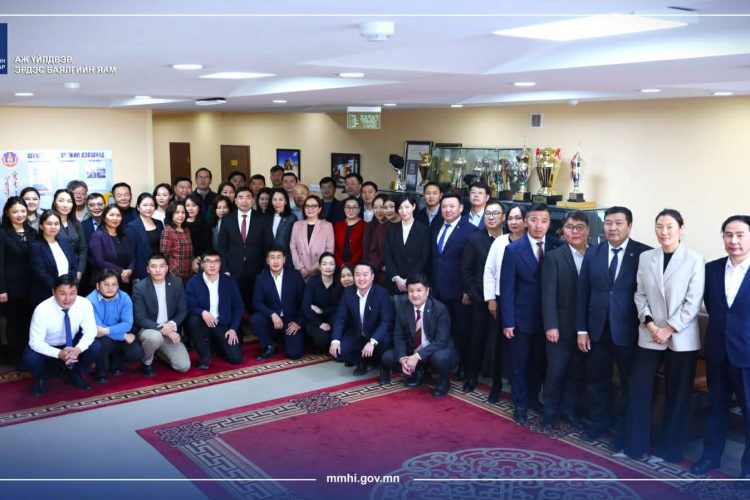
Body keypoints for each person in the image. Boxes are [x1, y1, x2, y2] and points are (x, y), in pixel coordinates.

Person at [622, 208, 704, 462]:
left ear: (681, 229)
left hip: (681, 337)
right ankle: (634, 447)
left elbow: (693, 301)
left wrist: (669, 328)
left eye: (669, 226)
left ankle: (669, 451)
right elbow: (640, 294)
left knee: (677, 395)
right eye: (659, 226)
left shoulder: (694, 259)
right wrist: (650, 325)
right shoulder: (647, 257)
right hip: (650, 334)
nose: (664, 231)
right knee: (638, 389)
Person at [577, 206, 651, 450]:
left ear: (629, 225)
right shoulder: (593, 252)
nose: (612, 228)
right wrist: (582, 329)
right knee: (596, 380)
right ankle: (598, 424)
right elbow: (583, 292)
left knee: (629, 384)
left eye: (618, 223)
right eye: (608, 223)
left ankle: (621, 432)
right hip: (597, 330)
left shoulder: (644, 254)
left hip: (629, 331)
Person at [691, 215, 750, 478]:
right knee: (716, 409)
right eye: (728, 234)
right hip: (717, 352)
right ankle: (710, 458)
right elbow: (712, 307)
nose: (733, 240)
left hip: (747, 355)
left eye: (740, 235)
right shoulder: (711, 270)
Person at [501, 203, 563, 425]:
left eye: (544, 221)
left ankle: (533, 399)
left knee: (539, 363)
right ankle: (520, 404)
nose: (539, 225)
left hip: (549, 319)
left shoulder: (557, 246)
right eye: (534, 220)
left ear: (549, 223)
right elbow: (507, 289)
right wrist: (508, 321)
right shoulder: (513, 250)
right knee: (520, 364)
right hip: (522, 318)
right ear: (526, 222)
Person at [540, 210, 590, 430]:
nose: (575, 232)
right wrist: (551, 325)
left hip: (586, 328)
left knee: (575, 373)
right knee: (556, 371)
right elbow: (548, 295)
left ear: (588, 230)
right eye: (570, 227)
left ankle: (570, 412)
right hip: (560, 326)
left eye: (579, 227)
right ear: (563, 230)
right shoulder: (554, 257)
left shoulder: (595, 254)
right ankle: (550, 413)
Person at [379, 273, 458, 397]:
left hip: (435, 350)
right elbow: (398, 336)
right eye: (411, 291)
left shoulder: (440, 309)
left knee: (440, 358)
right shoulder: (403, 308)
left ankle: (443, 382)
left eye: (419, 290)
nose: (415, 295)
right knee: (387, 357)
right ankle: (418, 373)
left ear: (427, 291)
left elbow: (441, 341)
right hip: (413, 349)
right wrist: (402, 358)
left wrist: (417, 357)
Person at [22, 274, 101, 395]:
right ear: (53, 292)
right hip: (49, 345)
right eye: (62, 293)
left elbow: (90, 331)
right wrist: (59, 353)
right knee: (30, 358)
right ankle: (41, 378)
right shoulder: (42, 310)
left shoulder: (84, 304)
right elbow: (35, 342)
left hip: (72, 343)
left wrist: (78, 349)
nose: (68, 299)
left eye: (72, 293)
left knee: (95, 346)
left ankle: (75, 373)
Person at [430, 192, 477, 381]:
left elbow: (472, 264)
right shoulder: (436, 227)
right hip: (437, 289)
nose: (447, 210)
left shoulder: (470, 230)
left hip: (459, 291)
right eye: (444, 206)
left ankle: (462, 366)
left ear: (461, 208)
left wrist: (467, 290)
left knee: (461, 331)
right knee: (439, 330)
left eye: (452, 206)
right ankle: (439, 365)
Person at [482, 203, 527, 403]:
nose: (513, 222)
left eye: (518, 218)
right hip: (501, 299)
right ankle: (496, 385)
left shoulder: (531, 242)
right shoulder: (500, 242)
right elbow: (489, 271)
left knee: (520, 347)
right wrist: (491, 299)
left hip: (524, 302)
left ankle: (519, 389)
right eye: (510, 218)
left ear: (526, 221)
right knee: (498, 346)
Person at [461, 200, 504, 394]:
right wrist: (475, 293)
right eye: (488, 213)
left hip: (503, 299)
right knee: (476, 339)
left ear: (503, 217)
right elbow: (466, 271)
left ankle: (496, 381)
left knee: (499, 342)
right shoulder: (474, 239)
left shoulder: (510, 238)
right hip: (480, 299)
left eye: (495, 213)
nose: (491, 217)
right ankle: (472, 376)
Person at [132, 253, 191, 375]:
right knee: (154, 338)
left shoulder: (176, 283)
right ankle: (146, 362)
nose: (158, 270)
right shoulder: (140, 287)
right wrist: (166, 330)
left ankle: (158, 352)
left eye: (161, 266)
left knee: (183, 366)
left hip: (170, 328)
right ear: (148, 269)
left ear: (167, 268)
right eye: (153, 266)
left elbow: (182, 310)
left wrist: (172, 324)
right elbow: (140, 318)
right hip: (149, 329)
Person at [330, 261, 393, 375]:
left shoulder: (381, 293)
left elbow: (386, 322)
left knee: (386, 341)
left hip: (376, 335)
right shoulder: (348, 292)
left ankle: (380, 363)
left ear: (372, 277)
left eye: (365, 274)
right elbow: (340, 318)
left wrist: (372, 342)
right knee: (339, 351)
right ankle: (363, 361)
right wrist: (335, 341)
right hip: (359, 333)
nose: (361, 278)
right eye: (357, 274)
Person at [185, 251, 244, 368]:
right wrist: (202, 312)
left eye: (216, 261)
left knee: (236, 358)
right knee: (193, 320)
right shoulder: (193, 282)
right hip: (203, 323)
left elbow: (238, 307)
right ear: (202, 264)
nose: (212, 265)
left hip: (222, 324)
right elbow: (188, 305)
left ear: (220, 264)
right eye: (208, 261)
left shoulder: (229, 282)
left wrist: (233, 329)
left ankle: (215, 345)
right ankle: (204, 356)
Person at [217, 187, 272, 310]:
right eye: (241, 197)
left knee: (255, 304)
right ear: (235, 200)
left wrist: (265, 268)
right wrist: (224, 269)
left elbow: (269, 246)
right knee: (235, 304)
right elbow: (222, 248)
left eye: (248, 197)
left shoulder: (263, 219)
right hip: (233, 269)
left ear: (253, 200)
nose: (244, 201)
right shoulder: (227, 219)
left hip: (257, 269)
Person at [250, 246, 306, 360]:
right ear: (267, 261)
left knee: (295, 354)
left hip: (290, 322)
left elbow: (304, 302)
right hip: (272, 320)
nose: (275, 261)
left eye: (278, 257)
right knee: (255, 319)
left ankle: (286, 339)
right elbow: (257, 302)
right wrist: (272, 314)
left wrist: (298, 322)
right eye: (272, 257)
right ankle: (269, 346)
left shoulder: (295, 276)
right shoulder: (261, 278)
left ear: (284, 259)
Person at [86, 269, 143, 382]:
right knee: (103, 344)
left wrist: (107, 331)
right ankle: (100, 372)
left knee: (136, 352)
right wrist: (123, 336)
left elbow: (127, 324)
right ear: (98, 286)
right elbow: (98, 330)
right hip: (101, 338)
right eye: (106, 284)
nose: (110, 288)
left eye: (114, 284)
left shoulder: (124, 297)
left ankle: (116, 362)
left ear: (118, 286)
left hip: (113, 332)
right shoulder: (89, 301)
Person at [0, 197, 37, 365]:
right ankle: (17, 358)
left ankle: (30, 356)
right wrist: (1, 289)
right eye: (15, 212)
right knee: (13, 323)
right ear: (7, 213)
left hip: (31, 286)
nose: (20, 214)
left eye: (23, 211)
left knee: (30, 321)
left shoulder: (32, 232)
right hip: (11, 288)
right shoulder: (2, 233)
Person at [30, 210, 78, 306]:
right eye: (49, 224)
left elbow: (74, 265)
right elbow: (41, 272)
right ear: (41, 226)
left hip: (67, 291)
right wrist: (57, 288)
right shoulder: (35, 246)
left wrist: (70, 285)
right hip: (46, 292)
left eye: (56, 224)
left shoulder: (64, 243)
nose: (53, 227)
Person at [383, 195, 430, 294]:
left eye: (407, 207)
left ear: (414, 206)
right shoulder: (391, 229)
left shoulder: (424, 230)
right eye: (400, 208)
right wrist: (396, 277)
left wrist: (408, 279)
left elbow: (423, 257)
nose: (404, 211)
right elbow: (387, 255)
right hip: (394, 282)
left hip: (415, 282)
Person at [88, 206, 134, 290]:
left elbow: (132, 257)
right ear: (104, 217)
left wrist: (130, 270)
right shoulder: (97, 236)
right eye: (111, 215)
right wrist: (122, 271)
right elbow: (99, 261)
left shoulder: (124, 236)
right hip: (105, 282)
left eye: (118, 215)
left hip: (124, 282)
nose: (115, 218)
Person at [302, 252, 338, 353]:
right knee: (322, 339)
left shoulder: (338, 281)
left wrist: (322, 311)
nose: (328, 267)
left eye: (331, 264)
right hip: (314, 319)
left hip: (331, 317)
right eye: (324, 264)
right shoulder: (313, 282)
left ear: (335, 266)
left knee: (339, 330)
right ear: (320, 266)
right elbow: (306, 307)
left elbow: (340, 306)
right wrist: (320, 324)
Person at [126, 193, 164, 282]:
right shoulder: (132, 227)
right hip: (141, 272)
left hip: (159, 270)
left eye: (152, 205)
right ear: (138, 207)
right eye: (145, 205)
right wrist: (135, 275)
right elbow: (131, 254)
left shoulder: (159, 223)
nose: (149, 208)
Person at [52, 188, 87, 284]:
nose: (65, 205)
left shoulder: (76, 223)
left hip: (74, 269)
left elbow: (83, 249)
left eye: (69, 201)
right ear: (55, 203)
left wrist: (80, 271)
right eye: (61, 201)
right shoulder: (50, 223)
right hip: (55, 269)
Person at [160, 200, 194, 283]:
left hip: (188, 274)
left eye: (183, 212)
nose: (181, 215)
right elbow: (164, 255)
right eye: (177, 212)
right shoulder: (168, 231)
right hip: (174, 274)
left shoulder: (186, 230)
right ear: (171, 214)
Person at [364, 193, 389, 285]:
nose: (378, 211)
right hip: (374, 270)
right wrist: (380, 266)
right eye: (375, 207)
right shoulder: (370, 226)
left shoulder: (393, 226)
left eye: (381, 207)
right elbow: (366, 250)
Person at [334, 196, 365, 268]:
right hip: (338, 265)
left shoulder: (365, 225)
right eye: (348, 207)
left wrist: (349, 264)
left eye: (354, 207)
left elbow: (362, 248)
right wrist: (341, 264)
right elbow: (334, 247)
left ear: (359, 209)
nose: (351, 210)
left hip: (358, 266)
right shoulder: (337, 225)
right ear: (344, 209)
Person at [269, 188, 295, 264]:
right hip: (269, 258)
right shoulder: (267, 217)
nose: (277, 202)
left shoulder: (292, 218)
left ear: (286, 201)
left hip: (285, 257)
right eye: (275, 199)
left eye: (280, 199)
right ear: (271, 201)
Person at [184, 193, 212, 265]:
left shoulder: (205, 224)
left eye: (194, 205)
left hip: (200, 260)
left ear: (199, 208)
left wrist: (198, 259)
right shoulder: (180, 223)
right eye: (187, 205)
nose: (191, 209)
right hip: (182, 259)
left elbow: (208, 245)